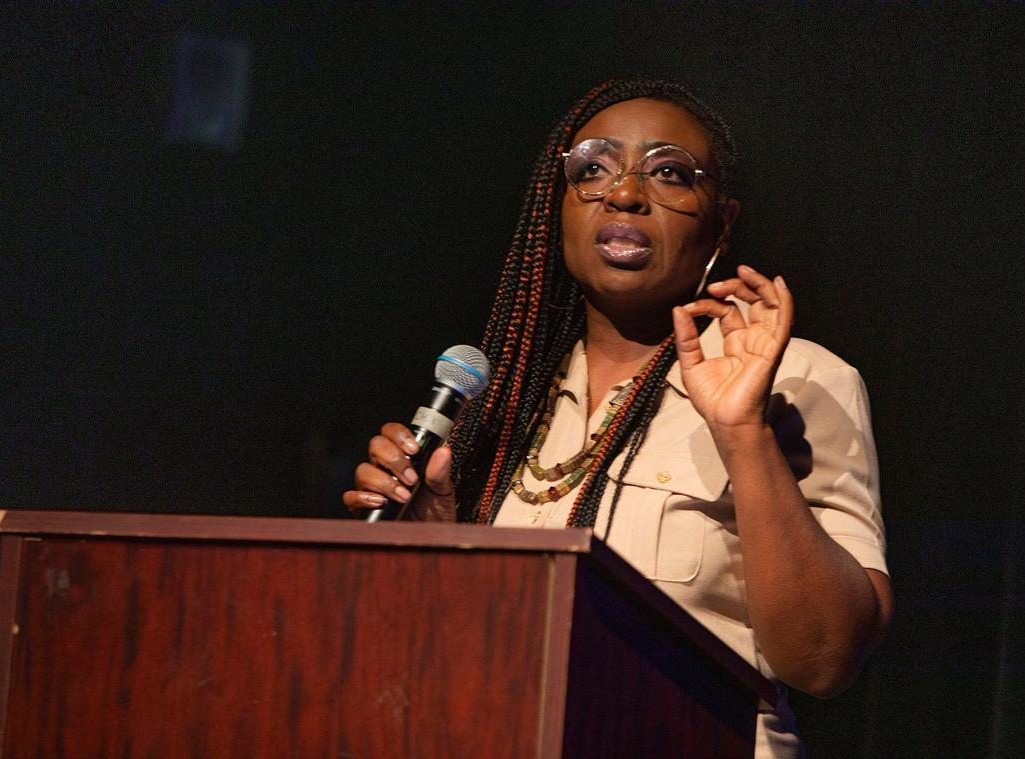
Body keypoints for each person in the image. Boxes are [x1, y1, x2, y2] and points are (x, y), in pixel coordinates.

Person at [343, 78, 892, 757]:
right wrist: (430, 535)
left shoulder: (797, 379)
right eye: (593, 168)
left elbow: (826, 659)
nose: (626, 193)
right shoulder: (506, 397)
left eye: (668, 173)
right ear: (560, 209)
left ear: (722, 220)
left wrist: (742, 433)